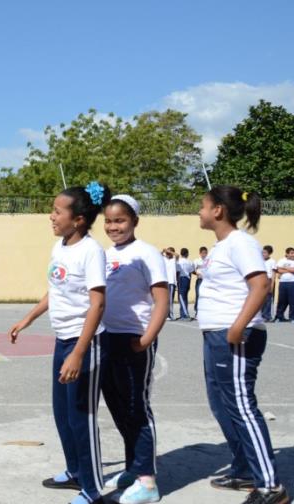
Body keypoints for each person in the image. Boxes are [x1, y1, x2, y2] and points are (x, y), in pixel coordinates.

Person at [9, 182, 112, 504]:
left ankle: (93, 490)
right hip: (63, 339)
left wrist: (79, 353)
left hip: (86, 343)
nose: (50, 216)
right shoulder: (62, 247)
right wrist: (28, 319)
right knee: (63, 414)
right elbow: (56, 290)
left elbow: (97, 304)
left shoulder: (91, 251)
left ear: (78, 218)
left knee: (82, 416)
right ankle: (75, 472)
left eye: (57, 211)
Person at [197, 186, 287, 504]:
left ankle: (270, 487)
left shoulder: (241, 243)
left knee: (242, 407)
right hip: (217, 334)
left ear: (218, 210)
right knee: (222, 405)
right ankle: (246, 468)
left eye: (203, 206)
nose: (200, 211)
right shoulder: (222, 245)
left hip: (234, 334)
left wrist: (237, 327)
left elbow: (260, 284)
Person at [100, 195, 168, 504]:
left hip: (134, 339)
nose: (113, 227)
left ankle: (147, 482)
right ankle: (133, 468)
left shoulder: (147, 253)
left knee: (136, 407)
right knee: (117, 406)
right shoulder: (104, 254)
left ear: (135, 222)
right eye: (109, 221)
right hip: (107, 337)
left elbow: (162, 302)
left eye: (120, 220)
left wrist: (146, 339)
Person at [273, 247, 294, 323]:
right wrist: (290, 269)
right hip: (283, 283)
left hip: (293, 283)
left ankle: (292, 318)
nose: (293, 254)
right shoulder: (282, 260)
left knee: (293, 301)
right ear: (287, 254)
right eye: (291, 253)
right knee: (282, 300)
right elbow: (278, 270)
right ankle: (279, 317)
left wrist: (284, 268)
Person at [176, 248, 196, 321]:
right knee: (185, 297)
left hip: (181, 279)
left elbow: (177, 271)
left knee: (181, 297)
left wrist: (177, 281)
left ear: (181, 254)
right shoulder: (189, 262)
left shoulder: (179, 262)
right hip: (187, 279)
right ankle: (182, 314)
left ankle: (185, 315)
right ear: (187, 254)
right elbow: (192, 271)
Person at [162, 247, 178, 320]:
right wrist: (164, 251)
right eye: (167, 253)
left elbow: (177, 255)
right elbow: (159, 255)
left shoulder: (174, 259)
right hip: (165, 281)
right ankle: (166, 315)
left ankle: (170, 315)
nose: (168, 254)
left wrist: (169, 251)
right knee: (165, 299)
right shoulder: (164, 259)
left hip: (171, 282)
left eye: (169, 253)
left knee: (170, 299)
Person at [261, 246, 276, 322]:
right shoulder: (259, 260)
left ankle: (267, 316)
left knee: (268, 300)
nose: (263, 254)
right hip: (261, 280)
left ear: (269, 253)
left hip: (268, 280)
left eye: (265, 252)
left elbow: (273, 274)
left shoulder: (272, 261)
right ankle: (261, 315)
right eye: (262, 252)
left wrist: (272, 285)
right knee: (261, 299)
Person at [193, 246, 209, 320]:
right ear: (200, 253)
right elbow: (192, 269)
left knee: (206, 296)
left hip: (207, 281)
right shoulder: (197, 261)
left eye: (205, 253)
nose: (204, 254)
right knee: (198, 295)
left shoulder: (209, 261)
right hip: (200, 280)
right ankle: (197, 312)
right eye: (202, 253)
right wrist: (197, 273)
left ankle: (205, 313)